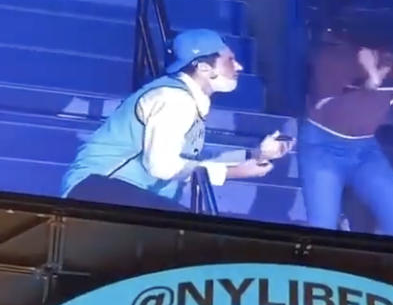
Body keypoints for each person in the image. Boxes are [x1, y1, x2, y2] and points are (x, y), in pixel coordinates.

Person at [62, 29, 294, 211]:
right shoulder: (174, 99)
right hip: (97, 188)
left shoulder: (187, 100)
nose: (239, 66)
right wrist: (237, 172)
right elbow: (163, 166)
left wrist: (255, 155)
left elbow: (189, 160)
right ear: (203, 67)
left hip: (120, 192)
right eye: (229, 60)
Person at [297, 20, 393, 238]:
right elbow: (328, 111)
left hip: (365, 149)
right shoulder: (336, 57)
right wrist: (371, 81)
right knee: (321, 230)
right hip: (323, 146)